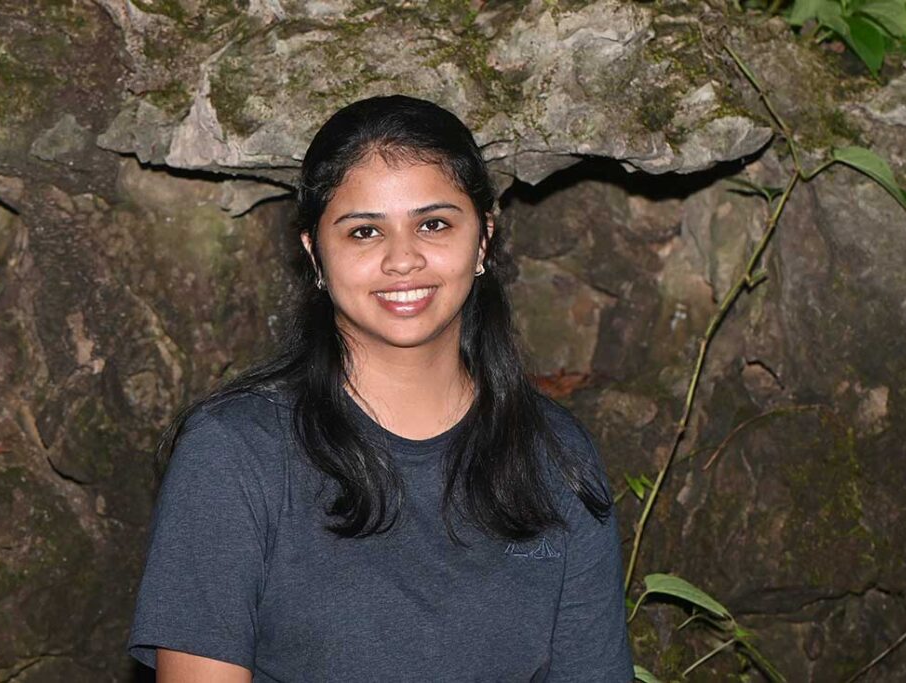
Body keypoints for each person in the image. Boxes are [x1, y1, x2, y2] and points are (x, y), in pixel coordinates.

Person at [127, 94, 634, 682]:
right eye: (365, 231)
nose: (403, 259)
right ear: (315, 253)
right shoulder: (235, 454)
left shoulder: (555, 455)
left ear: (483, 239)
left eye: (434, 224)